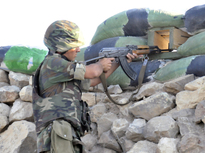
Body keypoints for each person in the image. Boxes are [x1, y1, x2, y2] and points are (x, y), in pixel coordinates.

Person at [32, 20, 137, 153]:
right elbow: (93, 71)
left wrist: (119, 61)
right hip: (58, 132)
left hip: (65, 133)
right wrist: (100, 64)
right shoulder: (53, 63)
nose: (78, 49)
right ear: (61, 46)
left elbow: (94, 80)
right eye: (73, 46)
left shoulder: (64, 73)